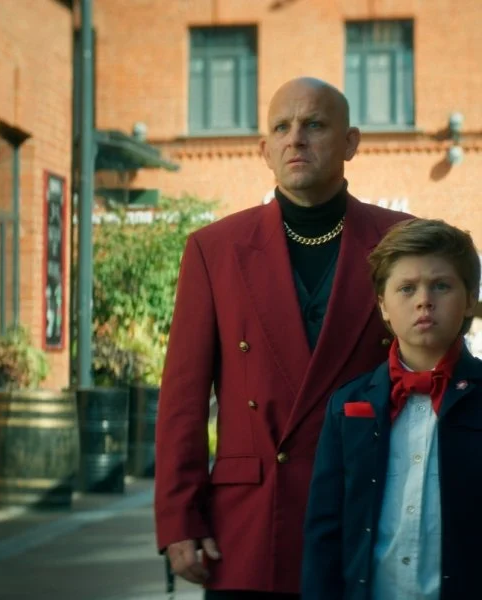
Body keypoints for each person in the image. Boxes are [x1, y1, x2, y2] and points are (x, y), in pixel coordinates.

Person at [153, 76, 412, 599]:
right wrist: (179, 518)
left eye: (314, 124)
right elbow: (182, 398)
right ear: (264, 150)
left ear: (350, 142)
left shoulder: (402, 241)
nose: (296, 138)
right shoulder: (214, 249)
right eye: (282, 127)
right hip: (249, 524)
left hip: (369, 513)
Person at [302, 218, 482, 600]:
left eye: (441, 285)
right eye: (406, 288)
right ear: (383, 305)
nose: (424, 300)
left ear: (470, 298)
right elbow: (324, 532)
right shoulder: (347, 404)